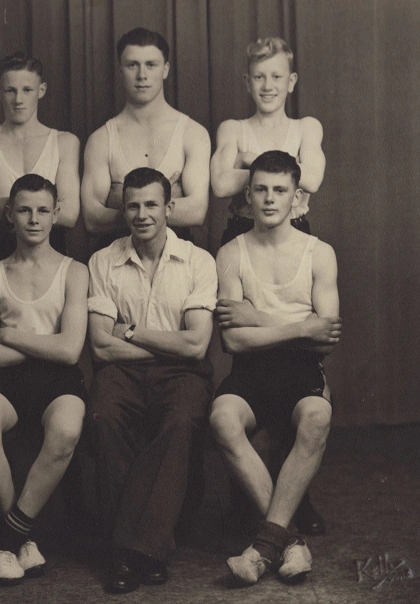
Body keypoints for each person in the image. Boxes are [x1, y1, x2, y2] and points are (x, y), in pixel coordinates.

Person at [210, 151, 340, 586]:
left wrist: (260, 318)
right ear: (247, 195)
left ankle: (264, 545)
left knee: (317, 416)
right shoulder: (230, 253)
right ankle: (288, 541)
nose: (269, 199)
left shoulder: (319, 254)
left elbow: (326, 338)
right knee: (222, 418)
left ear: (296, 196)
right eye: (261, 189)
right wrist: (302, 325)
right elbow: (232, 340)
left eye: (279, 190)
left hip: (302, 371)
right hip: (249, 372)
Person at [87, 167, 216, 594]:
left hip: (183, 375)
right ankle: (151, 548)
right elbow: (101, 349)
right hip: (121, 371)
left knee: (179, 424)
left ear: (170, 208)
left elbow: (196, 346)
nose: (142, 214)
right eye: (133, 206)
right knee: (104, 417)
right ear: (123, 210)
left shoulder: (199, 261)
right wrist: (166, 342)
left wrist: (132, 330)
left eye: (151, 205)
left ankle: (129, 553)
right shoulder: (103, 260)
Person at [0, 174, 89, 584]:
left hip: (59, 381)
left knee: (67, 430)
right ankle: (24, 541)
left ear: (56, 215)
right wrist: (44, 343)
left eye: (42, 210)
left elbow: (70, 351)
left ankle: (8, 539)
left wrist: (12, 335)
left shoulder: (75, 272)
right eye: (24, 210)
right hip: (4, 379)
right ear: (9, 215)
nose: (33, 219)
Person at [82, 28, 210, 248]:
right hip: (115, 259)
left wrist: (125, 206)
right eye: (132, 65)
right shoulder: (101, 139)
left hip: (177, 257)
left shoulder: (193, 133)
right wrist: (163, 208)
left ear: (165, 69)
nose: (142, 75)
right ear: (120, 70)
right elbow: (92, 219)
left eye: (151, 65)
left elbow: (197, 211)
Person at [0, 51, 80, 265]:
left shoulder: (65, 142)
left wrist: (6, 207)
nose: (18, 99)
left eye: (27, 90)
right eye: (10, 90)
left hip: (51, 253)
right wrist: (43, 207)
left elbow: (70, 214)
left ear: (41, 90)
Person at [210, 37, 325, 246]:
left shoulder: (307, 127)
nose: (267, 86)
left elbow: (313, 180)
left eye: (276, 76)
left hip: (294, 232)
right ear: (247, 82)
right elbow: (220, 185)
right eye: (259, 77)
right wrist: (290, 171)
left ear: (291, 82)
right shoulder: (232, 129)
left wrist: (248, 159)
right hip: (242, 232)